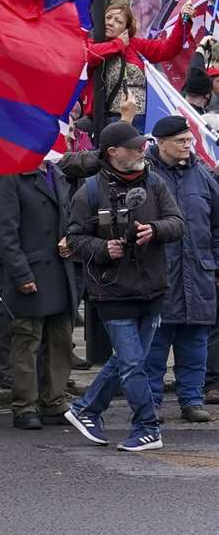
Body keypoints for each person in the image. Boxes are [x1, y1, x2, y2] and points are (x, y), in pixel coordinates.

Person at [65, 120, 186, 452]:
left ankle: (86, 408)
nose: (141, 150)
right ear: (113, 152)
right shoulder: (88, 191)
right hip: (113, 289)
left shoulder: (156, 183)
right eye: (134, 147)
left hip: (153, 289)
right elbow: (73, 239)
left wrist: (156, 230)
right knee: (134, 363)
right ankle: (147, 426)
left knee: (127, 360)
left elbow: (178, 223)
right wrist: (103, 249)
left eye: (142, 145)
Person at [142, 115, 219, 423]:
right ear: (161, 143)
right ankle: (151, 402)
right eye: (181, 141)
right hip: (159, 271)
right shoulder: (145, 175)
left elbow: (216, 223)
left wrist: (215, 262)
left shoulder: (202, 175)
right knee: (155, 343)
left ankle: (192, 400)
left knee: (196, 341)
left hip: (199, 271)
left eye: (189, 140)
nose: (188, 145)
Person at [0, 161, 78, 430]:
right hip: (32, 269)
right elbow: (6, 233)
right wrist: (21, 274)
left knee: (60, 338)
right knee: (27, 339)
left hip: (61, 270)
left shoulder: (57, 174)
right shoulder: (10, 174)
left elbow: (69, 217)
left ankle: (54, 400)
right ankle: (25, 405)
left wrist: (72, 240)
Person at [86, 3, 193, 127]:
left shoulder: (136, 45)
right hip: (107, 119)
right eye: (108, 17)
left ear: (127, 28)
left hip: (139, 119)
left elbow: (169, 49)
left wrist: (184, 20)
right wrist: (118, 43)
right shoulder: (93, 41)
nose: (110, 23)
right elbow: (90, 55)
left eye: (118, 21)